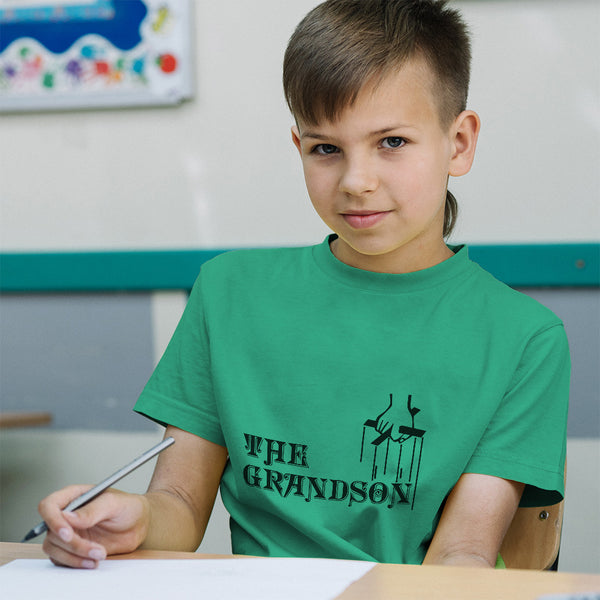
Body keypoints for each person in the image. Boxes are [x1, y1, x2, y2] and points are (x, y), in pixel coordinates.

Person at [38, 0, 569, 570]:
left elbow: (462, 552)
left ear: (458, 143)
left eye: (391, 142)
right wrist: (135, 518)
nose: (355, 181)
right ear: (299, 148)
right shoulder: (228, 293)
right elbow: (180, 505)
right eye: (326, 148)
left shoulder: (525, 338)